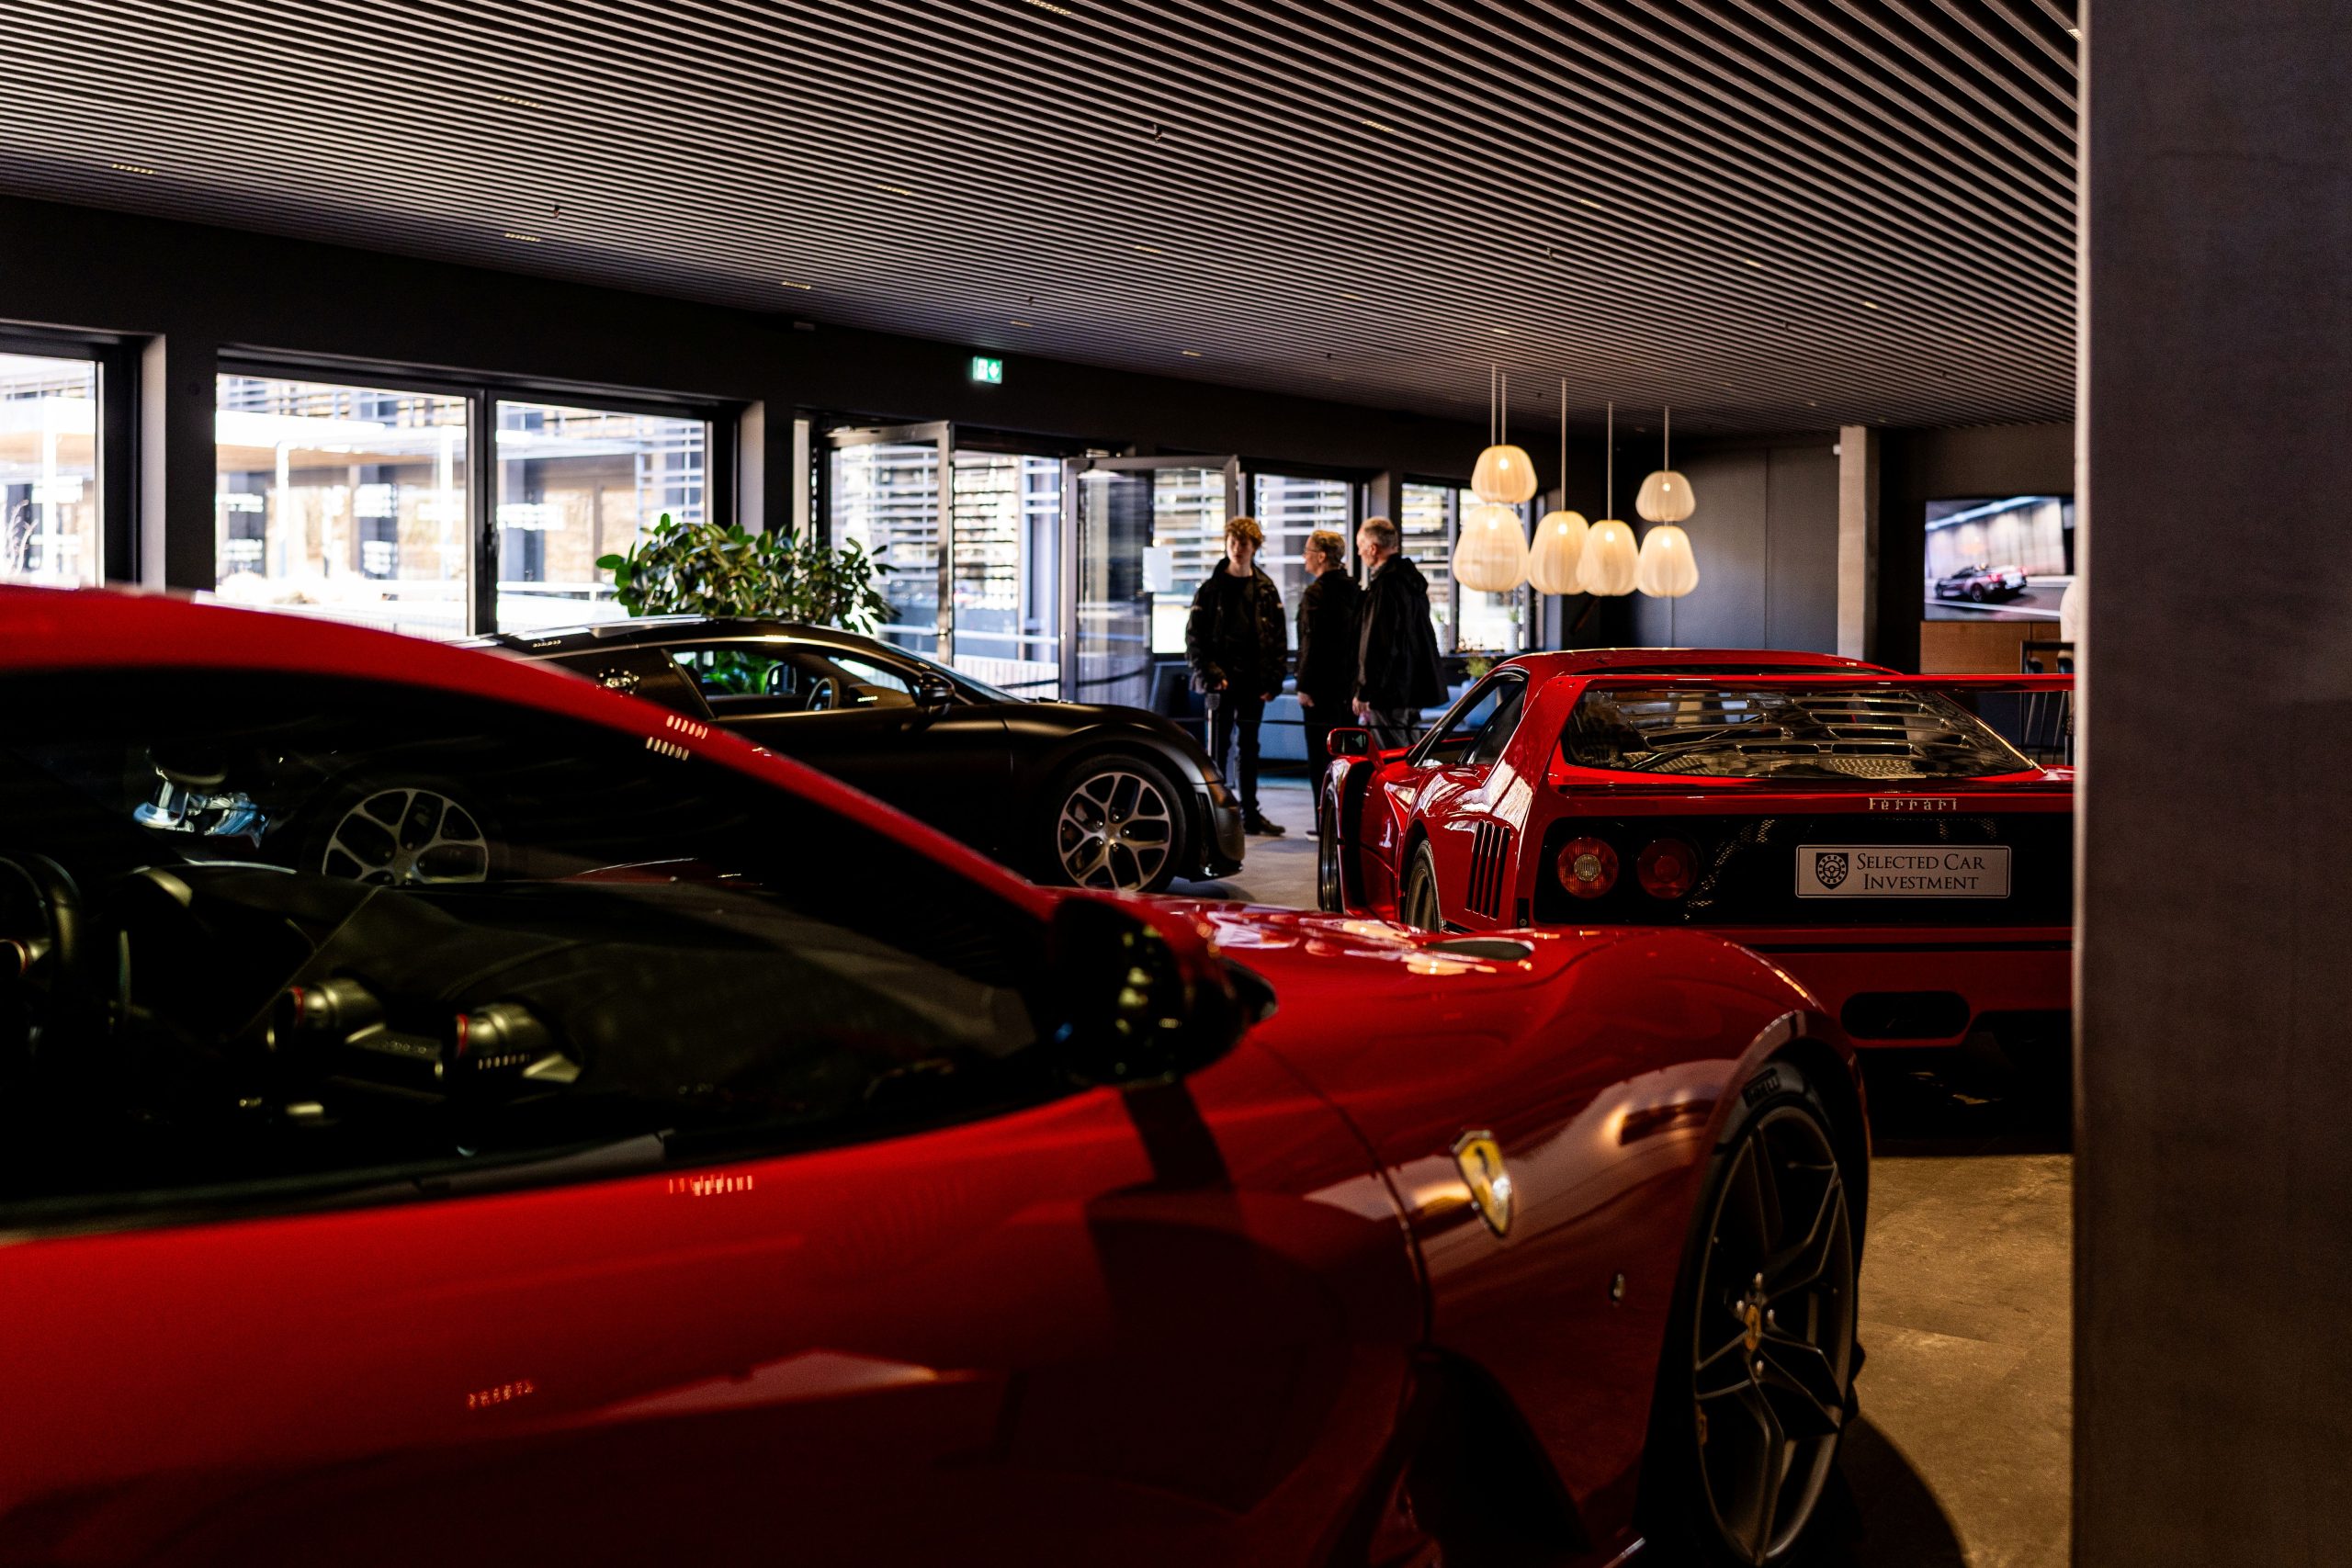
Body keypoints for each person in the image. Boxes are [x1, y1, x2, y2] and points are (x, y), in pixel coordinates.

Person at [1184, 514, 1289, 836]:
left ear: (1254, 546)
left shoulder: (1266, 589)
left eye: (1243, 543)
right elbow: (1194, 638)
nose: (1237, 548)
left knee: (1249, 748)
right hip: (1221, 682)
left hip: (1253, 682)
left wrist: (1273, 680)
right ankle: (1214, 815)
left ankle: (1250, 814)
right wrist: (1211, 674)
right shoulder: (1210, 589)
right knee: (1216, 750)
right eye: (1233, 542)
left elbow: (1279, 639)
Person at [1352, 515, 1444, 748]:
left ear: (1373, 549)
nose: (1359, 552)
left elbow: (1378, 644)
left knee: (1392, 756)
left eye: (1360, 546)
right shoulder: (1411, 583)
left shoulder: (1385, 586)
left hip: (1390, 690)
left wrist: (1365, 690)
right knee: (1410, 751)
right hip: (1413, 686)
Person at [1293, 527, 1363, 771]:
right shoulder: (1355, 590)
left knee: (1320, 758)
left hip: (1320, 690)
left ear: (1321, 556)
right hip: (1348, 687)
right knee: (1347, 759)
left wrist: (1304, 685)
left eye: (1307, 551)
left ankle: (1324, 798)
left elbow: (1311, 642)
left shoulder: (1316, 593)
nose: (1304, 556)